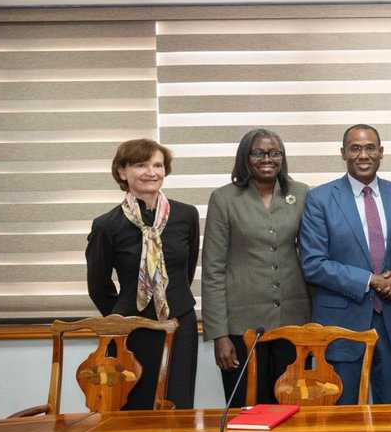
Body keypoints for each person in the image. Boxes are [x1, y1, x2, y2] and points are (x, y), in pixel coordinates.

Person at [299, 124, 391, 404]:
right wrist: (371, 279)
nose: (363, 155)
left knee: (390, 413)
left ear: (381, 152)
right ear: (343, 153)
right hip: (341, 326)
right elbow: (313, 264)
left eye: (370, 148)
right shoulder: (320, 199)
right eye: (355, 148)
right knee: (343, 414)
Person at [86, 138, 199, 409]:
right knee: (134, 406)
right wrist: (122, 319)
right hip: (131, 332)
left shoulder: (186, 215)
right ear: (122, 171)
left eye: (158, 165)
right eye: (140, 165)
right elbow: (98, 286)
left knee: (177, 403)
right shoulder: (107, 225)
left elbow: (186, 272)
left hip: (179, 325)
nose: (151, 172)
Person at [201, 128, 310, 407]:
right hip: (242, 327)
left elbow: (313, 256)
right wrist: (220, 335)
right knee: (246, 409)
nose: (267, 159)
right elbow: (213, 269)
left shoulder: (301, 194)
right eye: (258, 153)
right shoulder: (224, 198)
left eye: (274, 153)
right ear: (245, 157)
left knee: (291, 406)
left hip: (293, 321)